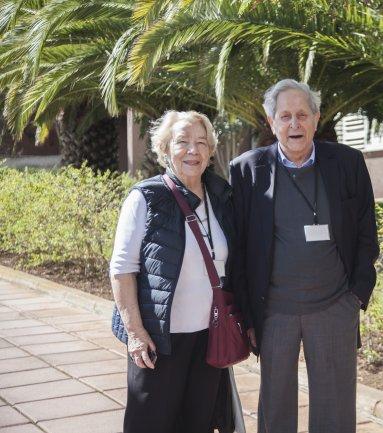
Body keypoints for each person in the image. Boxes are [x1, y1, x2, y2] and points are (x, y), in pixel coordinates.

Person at [229, 79, 380, 433]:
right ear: (271, 123)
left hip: (334, 308)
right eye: (285, 117)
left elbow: (365, 233)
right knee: (275, 410)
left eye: (302, 115)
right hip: (274, 312)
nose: (294, 124)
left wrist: (355, 296)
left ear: (316, 118)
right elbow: (238, 249)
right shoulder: (246, 170)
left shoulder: (347, 163)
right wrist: (249, 313)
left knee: (336, 410)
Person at [110, 110, 240, 433]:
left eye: (201, 143)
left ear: (210, 151)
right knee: (150, 424)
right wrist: (136, 334)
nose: (193, 151)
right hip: (158, 342)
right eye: (182, 142)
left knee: (198, 424)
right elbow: (122, 269)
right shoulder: (146, 197)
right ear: (165, 148)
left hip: (208, 340)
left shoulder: (221, 196)